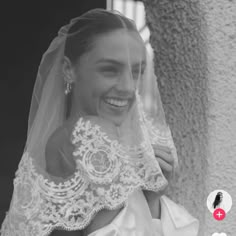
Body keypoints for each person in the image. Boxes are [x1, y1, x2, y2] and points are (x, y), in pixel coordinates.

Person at [1, 9, 199, 236]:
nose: (127, 87)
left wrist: (148, 196)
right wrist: (150, 202)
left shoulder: (64, 137)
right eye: (109, 70)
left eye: (136, 72)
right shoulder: (91, 134)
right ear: (69, 70)